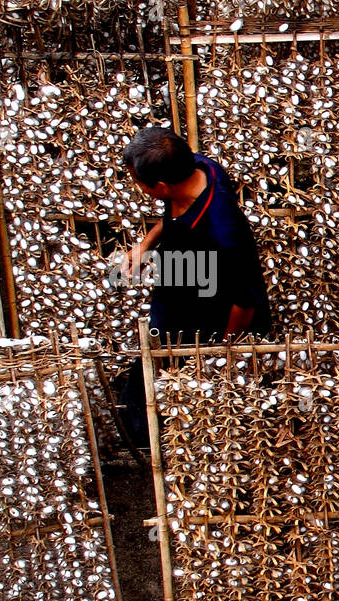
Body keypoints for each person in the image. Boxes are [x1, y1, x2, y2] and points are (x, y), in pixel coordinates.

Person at [116, 127, 271, 448]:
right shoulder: (201, 167)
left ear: (159, 186)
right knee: (145, 382)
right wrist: (145, 245)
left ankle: (167, 450)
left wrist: (218, 356)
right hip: (180, 285)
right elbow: (173, 214)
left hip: (206, 315)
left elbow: (246, 300)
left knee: (162, 396)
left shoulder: (222, 229)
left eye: (138, 181)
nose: (136, 186)